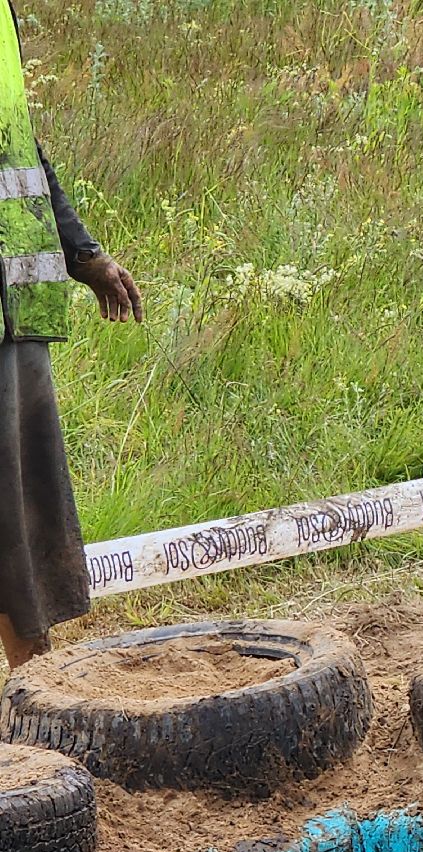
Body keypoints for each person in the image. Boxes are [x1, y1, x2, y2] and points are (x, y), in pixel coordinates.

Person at [0, 3, 143, 669]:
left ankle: (32, 679)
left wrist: (84, 256)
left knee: (23, 500)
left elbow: (19, 144)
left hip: (14, 309)